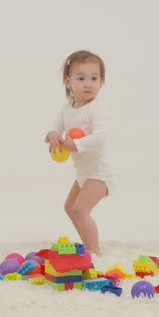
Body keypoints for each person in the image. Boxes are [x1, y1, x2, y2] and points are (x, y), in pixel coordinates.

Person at [45, 50, 114, 263]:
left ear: (101, 81)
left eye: (94, 78)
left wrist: (76, 144)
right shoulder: (68, 108)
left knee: (80, 209)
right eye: (81, 78)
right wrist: (54, 135)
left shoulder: (97, 108)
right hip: (83, 173)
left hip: (99, 174)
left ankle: (94, 252)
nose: (88, 84)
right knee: (69, 208)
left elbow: (101, 137)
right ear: (68, 81)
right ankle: (87, 245)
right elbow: (54, 127)